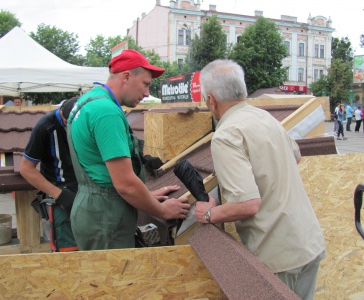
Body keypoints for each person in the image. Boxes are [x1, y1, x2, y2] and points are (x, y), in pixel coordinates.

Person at [194, 59, 325, 300]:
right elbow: (294, 157)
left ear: (211, 100)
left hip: (278, 257)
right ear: (241, 90)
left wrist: (208, 214)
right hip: (309, 242)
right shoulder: (266, 119)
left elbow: (247, 204)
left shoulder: (226, 135)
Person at [67, 50, 190, 251]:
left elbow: (102, 170)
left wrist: (146, 197)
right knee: (114, 279)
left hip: (92, 209)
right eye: (146, 84)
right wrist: (162, 210)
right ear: (126, 77)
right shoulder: (106, 112)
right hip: (106, 215)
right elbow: (125, 184)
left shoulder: (87, 102)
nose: (147, 93)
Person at [20, 97, 79, 252]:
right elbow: (26, 169)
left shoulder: (88, 120)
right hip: (60, 192)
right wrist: (60, 195)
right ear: (66, 121)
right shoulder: (45, 127)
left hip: (85, 190)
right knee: (68, 250)